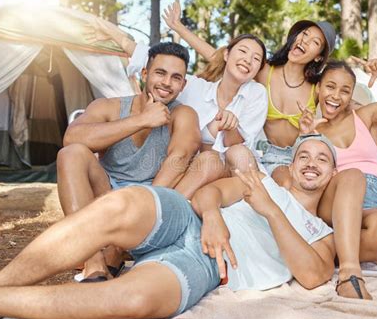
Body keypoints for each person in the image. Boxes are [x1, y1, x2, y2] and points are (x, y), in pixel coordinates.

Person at [0, 135, 337, 319]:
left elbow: (313, 274)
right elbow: (210, 192)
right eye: (304, 155)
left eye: (322, 158)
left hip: (208, 264)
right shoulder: (265, 183)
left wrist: (273, 213)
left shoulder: (323, 232)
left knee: (133, 299)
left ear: (332, 174)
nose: (311, 163)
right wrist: (214, 217)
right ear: (291, 167)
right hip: (189, 219)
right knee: (121, 204)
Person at [88, 2, 335, 177]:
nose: (304, 41)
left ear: (318, 56)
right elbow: (217, 57)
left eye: (314, 42)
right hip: (247, 156)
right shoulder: (263, 71)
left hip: (284, 154)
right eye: (303, 34)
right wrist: (178, 28)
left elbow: (344, 104)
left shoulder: (315, 87)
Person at [277, 57, 377, 299]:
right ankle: (349, 275)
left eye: (344, 90)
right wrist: (305, 137)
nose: (335, 95)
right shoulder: (313, 128)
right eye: (330, 86)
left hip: (370, 206)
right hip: (333, 201)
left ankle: (327, 251)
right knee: (352, 176)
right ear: (318, 88)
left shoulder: (366, 116)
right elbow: (302, 175)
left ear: (351, 95)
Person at [57, 42, 201, 282]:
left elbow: (180, 157)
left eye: (176, 77)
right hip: (104, 198)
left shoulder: (183, 114)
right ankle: (93, 262)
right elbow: (71, 138)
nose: (167, 83)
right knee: (70, 154)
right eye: (160, 73)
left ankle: (116, 249)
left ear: (183, 85)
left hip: (148, 203)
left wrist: (139, 208)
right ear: (144, 74)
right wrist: (141, 120)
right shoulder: (109, 106)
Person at [87, 19, 269, 198]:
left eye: (256, 59)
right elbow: (153, 62)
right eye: (243, 51)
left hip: (228, 169)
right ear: (227, 55)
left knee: (235, 153)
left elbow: (237, 144)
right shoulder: (196, 87)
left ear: (258, 69)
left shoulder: (257, 93)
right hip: (195, 172)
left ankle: (155, 205)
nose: (247, 60)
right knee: (203, 162)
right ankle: (157, 206)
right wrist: (109, 31)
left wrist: (230, 127)